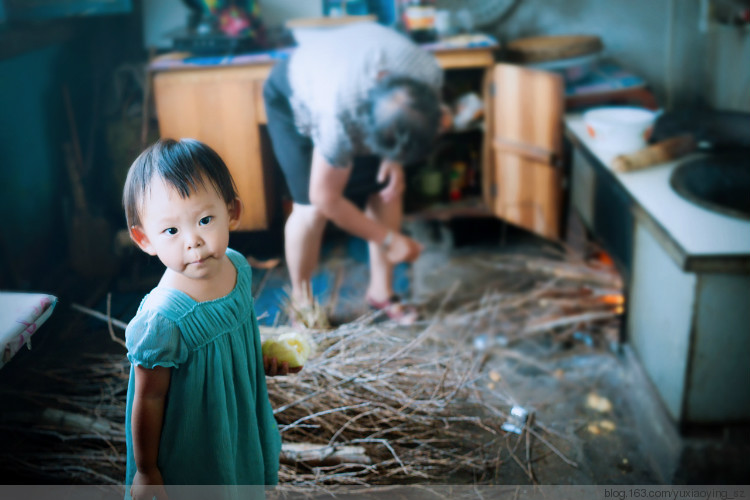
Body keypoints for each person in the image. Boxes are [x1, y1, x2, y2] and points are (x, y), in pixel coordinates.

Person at [122, 139, 296, 499]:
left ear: (232, 211)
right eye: (171, 231)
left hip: (237, 422)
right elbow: (149, 398)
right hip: (193, 445)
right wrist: (147, 470)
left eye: (204, 220)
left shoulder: (239, 268)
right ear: (145, 239)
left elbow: (235, 339)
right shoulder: (162, 320)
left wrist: (259, 357)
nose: (194, 242)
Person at [263, 22, 450, 324]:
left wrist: (395, 161)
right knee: (309, 209)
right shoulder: (338, 115)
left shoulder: (428, 74)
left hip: (353, 77)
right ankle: (302, 302)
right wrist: (391, 240)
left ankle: (382, 292)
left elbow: (431, 119)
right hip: (292, 92)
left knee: (387, 186)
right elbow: (325, 198)